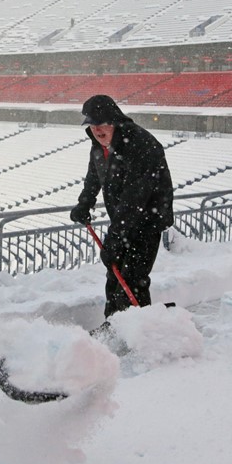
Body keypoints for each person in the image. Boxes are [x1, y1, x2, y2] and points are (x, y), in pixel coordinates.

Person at [69, 94, 174, 329]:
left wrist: (115, 238)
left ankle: (140, 329)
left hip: (147, 220)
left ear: (115, 120)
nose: (96, 129)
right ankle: (115, 324)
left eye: (101, 123)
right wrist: (84, 203)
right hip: (124, 220)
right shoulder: (99, 145)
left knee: (132, 278)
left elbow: (134, 198)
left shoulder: (140, 144)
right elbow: (95, 175)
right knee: (115, 275)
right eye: (91, 124)